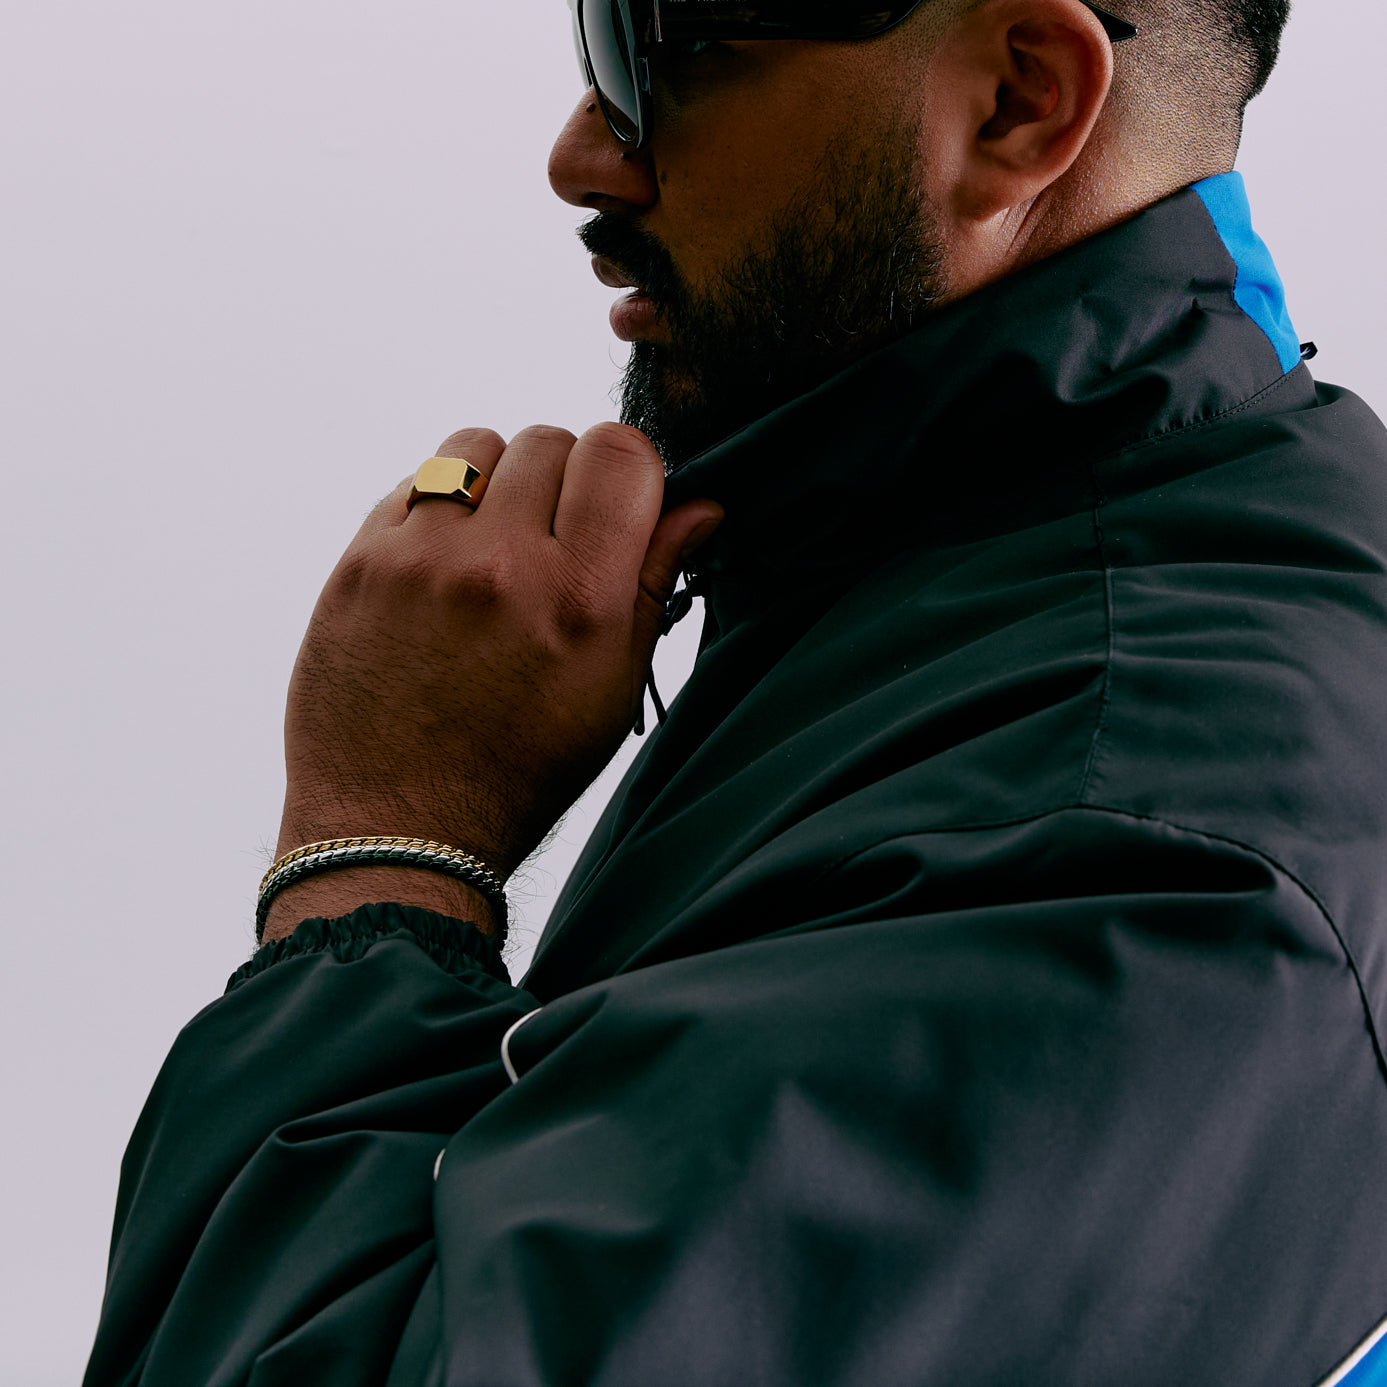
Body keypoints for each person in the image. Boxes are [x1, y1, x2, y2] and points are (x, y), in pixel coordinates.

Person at [84, 0, 1387, 1381]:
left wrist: (380, 852)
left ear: (1019, 100)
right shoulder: (1068, 581)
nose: (583, 156)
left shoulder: (1125, 854)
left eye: (651, 51)